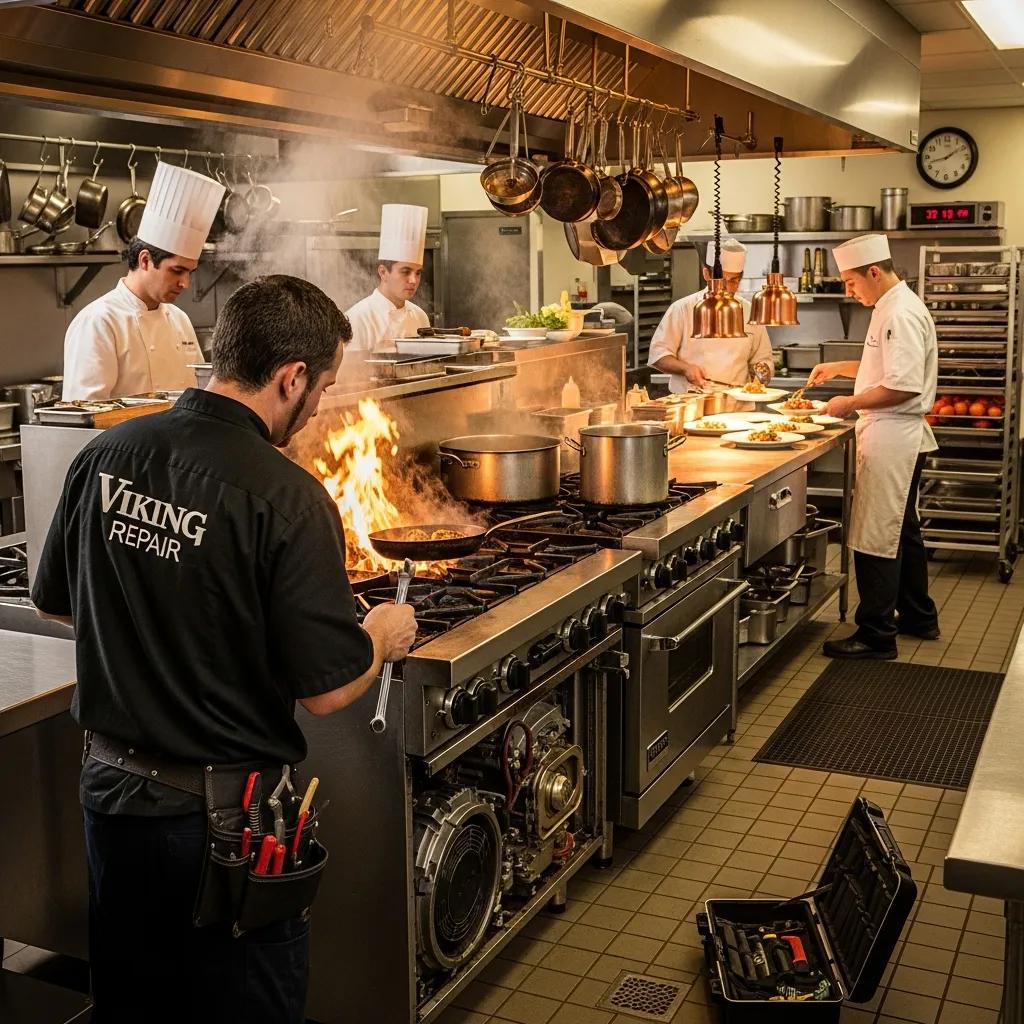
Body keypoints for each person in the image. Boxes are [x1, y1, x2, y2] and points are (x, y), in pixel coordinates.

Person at [32, 274, 418, 1022]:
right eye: (323, 387)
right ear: (291, 377)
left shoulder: (106, 456)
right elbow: (327, 689)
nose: (316, 411)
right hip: (224, 830)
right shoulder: (286, 495)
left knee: (135, 1006)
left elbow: (57, 605)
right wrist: (380, 636)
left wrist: (161, 630)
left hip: (112, 800)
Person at [808, 233, 939, 660]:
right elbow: (884, 366)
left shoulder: (898, 313)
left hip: (892, 436)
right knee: (904, 531)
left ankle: (876, 634)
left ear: (874, 272)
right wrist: (840, 368)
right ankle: (919, 616)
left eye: (850, 282)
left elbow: (902, 386)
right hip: (898, 435)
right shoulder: (892, 305)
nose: (848, 290)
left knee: (875, 535)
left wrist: (848, 402)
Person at [63, 161, 225, 400]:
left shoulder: (180, 320)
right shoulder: (98, 322)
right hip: (125, 440)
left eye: (190, 272)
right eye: (177, 270)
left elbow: (197, 398)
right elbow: (86, 417)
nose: (185, 283)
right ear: (146, 260)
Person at [647, 239, 773, 390]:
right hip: (692, 403)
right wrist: (685, 368)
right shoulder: (682, 309)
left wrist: (762, 373)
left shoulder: (750, 311)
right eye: (721, 280)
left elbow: (762, 359)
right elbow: (658, 356)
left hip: (738, 406)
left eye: (733, 281)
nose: (726, 288)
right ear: (706, 274)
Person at [345, 203, 430, 352]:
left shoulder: (420, 317)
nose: (413, 280)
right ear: (383, 272)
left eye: (418, 273)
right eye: (405, 271)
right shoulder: (357, 319)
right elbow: (351, 373)